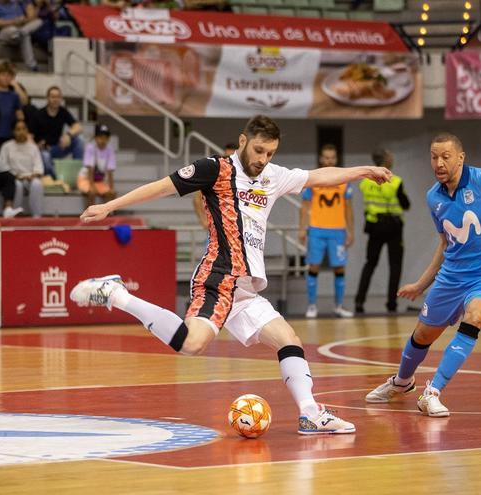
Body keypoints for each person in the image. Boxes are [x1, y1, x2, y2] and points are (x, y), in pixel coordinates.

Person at [70, 115, 392, 435]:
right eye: (259, 150)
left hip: (247, 289)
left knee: (289, 340)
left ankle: (310, 413)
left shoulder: (273, 176)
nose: (263, 160)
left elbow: (319, 176)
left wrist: (364, 170)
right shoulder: (215, 169)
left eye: (270, 154)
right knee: (192, 344)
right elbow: (162, 187)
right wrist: (110, 205)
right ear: (243, 141)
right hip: (219, 278)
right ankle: (117, 294)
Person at [364, 133, 481, 417]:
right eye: (434, 157)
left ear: (460, 157)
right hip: (451, 277)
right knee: (423, 335)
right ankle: (401, 382)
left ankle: (432, 392)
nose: (438, 163)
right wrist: (421, 284)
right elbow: (445, 243)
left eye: (445, 157)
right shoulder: (433, 196)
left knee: (475, 316)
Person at [298, 144, 355, 318]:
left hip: (338, 231)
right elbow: (304, 206)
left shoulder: (344, 180)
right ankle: (312, 306)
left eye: (332, 157)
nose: (329, 160)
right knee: (313, 266)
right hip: (316, 230)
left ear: (336, 159)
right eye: (326, 157)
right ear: (322, 159)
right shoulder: (313, 178)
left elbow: (348, 208)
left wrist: (350, 230)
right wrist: (302, 228)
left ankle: (338, 306)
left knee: (339, 268)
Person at [354, 148, 410, 315]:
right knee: (395, 265)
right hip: (393, 226)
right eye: (390, 156)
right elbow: (406, 204)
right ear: (385, 160)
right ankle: (391, 303)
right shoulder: (395, 182)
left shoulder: (365, 182)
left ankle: (359, 301)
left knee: (370, 264)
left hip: (374, 227)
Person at [29, 86, 83, 179]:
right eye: (53, 97)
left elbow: (78, 127)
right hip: (42, 149)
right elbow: (29, 136)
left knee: (79, 141)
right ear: (47, 98)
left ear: (61, 99)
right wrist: (36, 147)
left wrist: (68, 135)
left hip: (58, 147)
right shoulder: (38, 114)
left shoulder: (63, 112)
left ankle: (78, 176)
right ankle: (54, 178)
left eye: (58, 97)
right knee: (45, 156)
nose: (55, 99)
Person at [0, 120, 43, 217]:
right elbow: (2, 166)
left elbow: (39, 167)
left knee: (37, 184)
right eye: (18, 129)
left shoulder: (33, 147)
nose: (21, 131)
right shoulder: (7, 146)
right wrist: (15, 176)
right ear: (13, 132)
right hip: (14, 177)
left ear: (27, 131)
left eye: (23, 129)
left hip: (30, 178)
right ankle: (14, 215)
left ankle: (37, 216)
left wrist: (33, 175)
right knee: (17, 185)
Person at [0, 0, 43, 72]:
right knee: (17, 31)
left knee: (39, 22)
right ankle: (32, 65)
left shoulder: (15, 3)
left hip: (19, 28)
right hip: (2, 31)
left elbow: (25, 18)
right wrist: (12, 22)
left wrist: (23, 20)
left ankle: (20, 33)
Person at [193, 142, 235, 230]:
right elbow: (197, 199)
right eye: (225, 157)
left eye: (231, 158)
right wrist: (204, 220)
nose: (228, 161)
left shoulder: (241, 179)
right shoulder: (216, 175)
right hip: (218, 228)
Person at [0, 62, 25, 149]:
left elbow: (23, 105)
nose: (6, 78)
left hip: (9, 134)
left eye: (9, 75)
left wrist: (15, 85)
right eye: (3, 75)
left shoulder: (14, 95)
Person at [78, 124, 116, 207]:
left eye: (106, 138)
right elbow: (90, 168)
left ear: (109, 139)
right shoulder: (90, 148)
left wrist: (111, 189)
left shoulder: (110, 150)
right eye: (100, 137)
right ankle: (89, 217)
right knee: (92, 193)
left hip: (99, 181)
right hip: (86, 179)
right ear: (95, 138)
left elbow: (110, 171)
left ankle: (109, 218)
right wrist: (91, 186)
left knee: (111, 193)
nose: (103, 140)